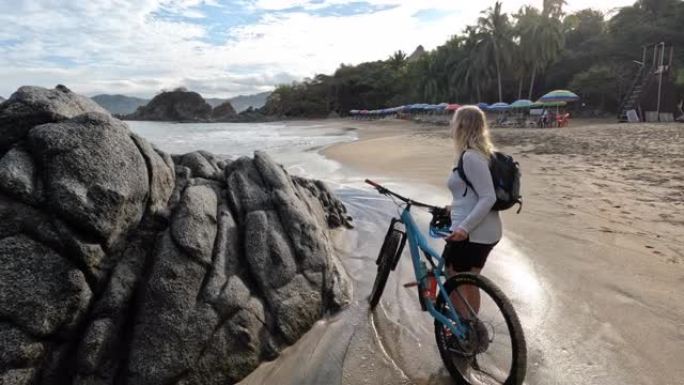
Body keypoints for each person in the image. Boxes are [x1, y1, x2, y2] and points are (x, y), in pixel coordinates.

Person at [443, 105, 502, 328]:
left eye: (454, 121)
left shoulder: (471, 157)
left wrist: (463, 228)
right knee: (470, 280)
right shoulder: (481, 154)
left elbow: (488, 197)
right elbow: (471, 193)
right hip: (486, 230)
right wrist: (453, 207)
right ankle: (471, 326)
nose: (451, 126)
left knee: (455, 277)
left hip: (473, 233)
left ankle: (462, 328)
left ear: (461, 125)